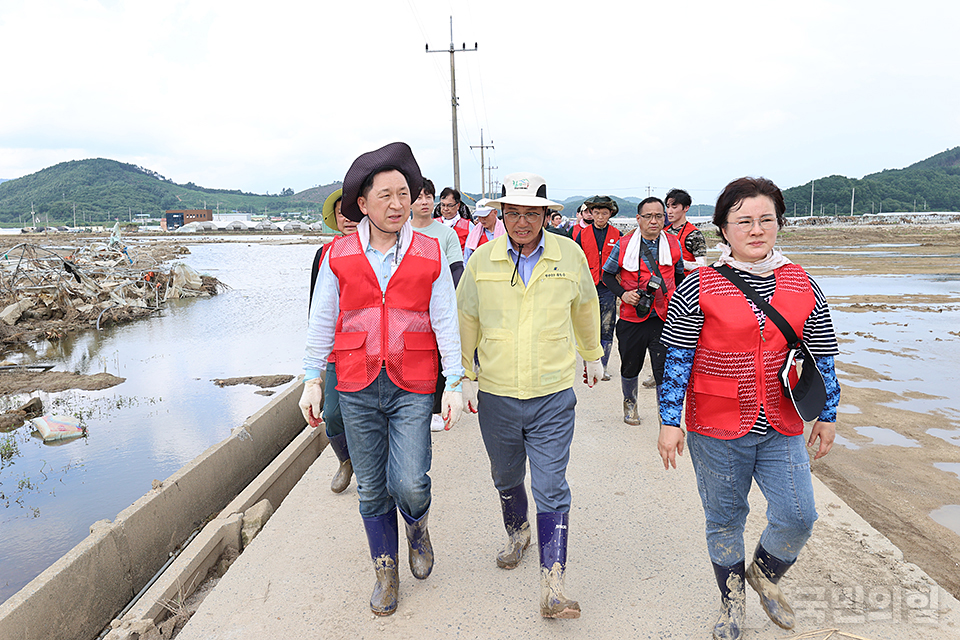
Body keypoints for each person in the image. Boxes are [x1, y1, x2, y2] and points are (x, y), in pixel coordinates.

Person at [656, 177, 840, 640]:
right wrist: (668, 421)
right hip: (715, 423)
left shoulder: (804, 284)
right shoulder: (698, 285)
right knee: (724, 519)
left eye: (766, 220)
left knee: (799, 516)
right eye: (744, 221)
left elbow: (821, 355)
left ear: (779, 224)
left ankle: (762, 572)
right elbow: (677, 359)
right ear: (723, 228)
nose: (756, 230)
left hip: (781, 420)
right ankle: (732, 602)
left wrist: (829, 413)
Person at [300, 142, 465, 617]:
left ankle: (417, 528)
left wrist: (454, 382)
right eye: (386, 196)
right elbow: (322, 317)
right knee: (372, 487)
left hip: (413, 380)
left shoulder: (431, 251)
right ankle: (385, 571)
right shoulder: (338, 253)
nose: (398, 204)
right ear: (362, 204)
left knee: (410, 482)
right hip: (354, 381)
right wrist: (313, 377)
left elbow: (444, 319)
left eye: (404, 194)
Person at [457, 172, 603, 620]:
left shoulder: (569, 255)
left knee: (551, 486)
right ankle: (517, 531)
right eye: (514, 213)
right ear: (502, 214)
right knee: (506, 476)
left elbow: (585, 306)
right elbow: (466, 316)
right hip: (498, 394)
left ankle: (553, 585)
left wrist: (592, 354)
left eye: (532, 213)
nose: (522, 222)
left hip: (553, 394)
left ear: (545, 214)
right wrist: (464, 374)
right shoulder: (482, 261)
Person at [601, 197, 683, 425]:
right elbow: (607, 275)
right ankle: (630, 404)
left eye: (659, 216)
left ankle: (665, 417)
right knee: (630, 366)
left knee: (664, 370)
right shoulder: (624, 244)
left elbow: (679, 277)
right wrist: (624, 294)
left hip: (665, 317)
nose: (654, 221)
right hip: (632, 316)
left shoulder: (673, 244)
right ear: (638, 219)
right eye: (648, 216)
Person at [307, 188, 358, 493]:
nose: (347, 217)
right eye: (341, 212)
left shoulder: (378, 248)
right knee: (334, 414)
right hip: (338, 350)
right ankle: (345, 460)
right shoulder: (324, 255)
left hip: (373, 348)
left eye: (352, 210)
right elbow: (316, 307)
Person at [410, 178, 466, 432]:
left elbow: (456, 270)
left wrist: (449, 301)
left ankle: (435, 407)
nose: (424, 201)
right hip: (409, 307)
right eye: (418, 196)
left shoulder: (446, 233)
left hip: (438, 305)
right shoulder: (400, 231)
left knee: (441, 354)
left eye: (428, 196)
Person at [575, 195, 621, 380]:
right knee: (588, 325)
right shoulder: (582, 235)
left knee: (607, 325)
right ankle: (589, 364)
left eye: (604, 213)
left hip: (609, 287)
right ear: (590, 214)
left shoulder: (617, 235)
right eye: (596, 213)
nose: (600, 216)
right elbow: (576, 260)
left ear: (610, 214)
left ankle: (603, 366)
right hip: (588, 285)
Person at [664, 188, 707, 274]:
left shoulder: (694, 234)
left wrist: (678, 261)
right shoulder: (663, 232)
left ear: (686, 208)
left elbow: (702, 266)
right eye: (668, 207)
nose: (669, 211)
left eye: (674, 207)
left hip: (685, 283)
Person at [462, 198, 505, 263]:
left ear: (495, 213)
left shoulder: (505, 231)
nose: (482, 219)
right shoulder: (474, 233)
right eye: (479, 216)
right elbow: (467, 257)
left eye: (485, 216)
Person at [436, 186, 472, 251]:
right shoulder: (434, 224)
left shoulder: (468, 226)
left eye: (449, 205)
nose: (445, 209)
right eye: (443, 205)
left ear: (458, 206)